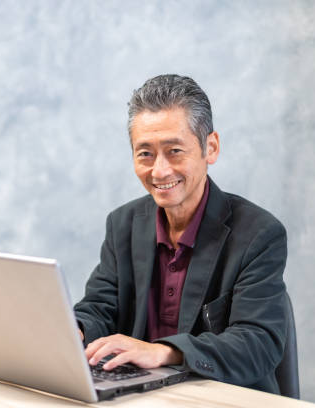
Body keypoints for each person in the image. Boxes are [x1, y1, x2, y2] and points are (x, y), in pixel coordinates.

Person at [73, 74, 288, 394]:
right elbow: (99, 307)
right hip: (144, 395)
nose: (159, 171)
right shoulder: (123, 224)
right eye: (144, 153)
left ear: (210, 147)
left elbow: (257, 343)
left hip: (222, 396)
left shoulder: (259, 234)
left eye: (174, 150)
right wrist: (71, 331)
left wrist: (165, 351)